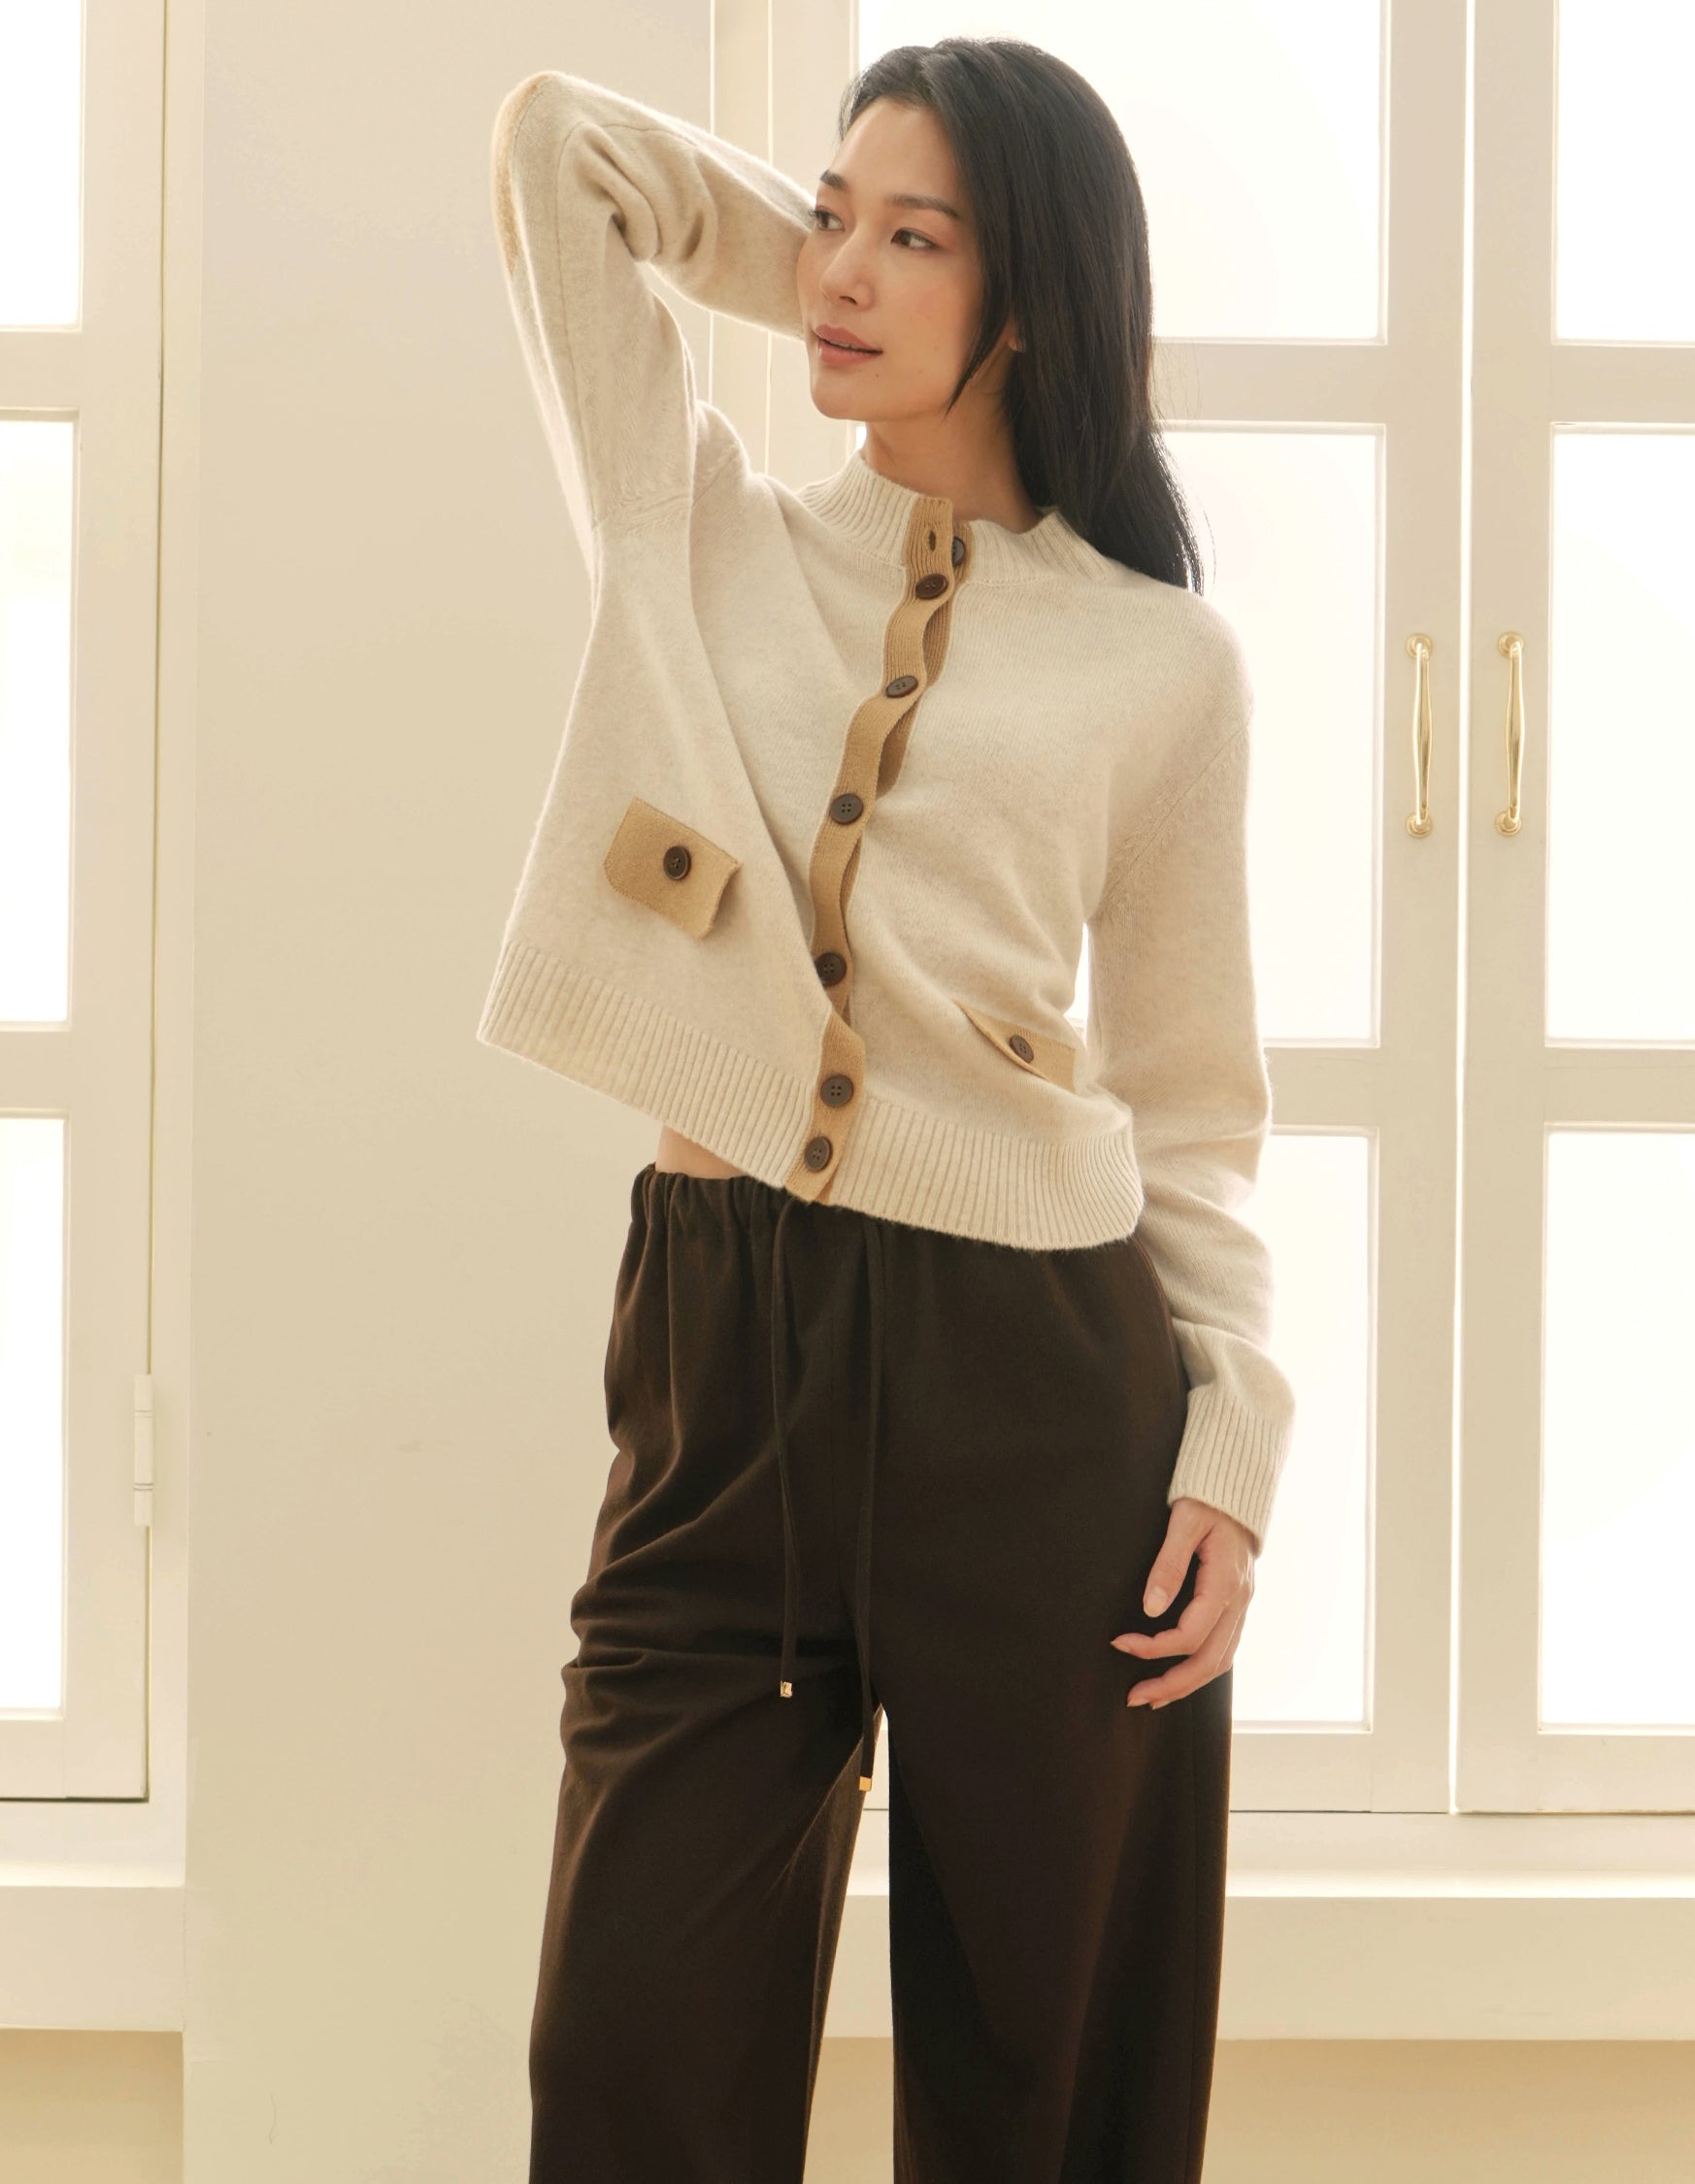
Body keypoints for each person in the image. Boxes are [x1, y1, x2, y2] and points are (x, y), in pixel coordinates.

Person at [479, 33, 1296, 2183]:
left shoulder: (1164, 665)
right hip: (728, 1346)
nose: (840, 271)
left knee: (1049, 2085)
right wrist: (847, 263)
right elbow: (559, 158)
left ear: (1032, 294)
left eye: (913, 238)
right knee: (630, 2065)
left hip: (1043, 1382)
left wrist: (1233, 1439)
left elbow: (1193, 1102)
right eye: (832, 218)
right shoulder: (704, 530)